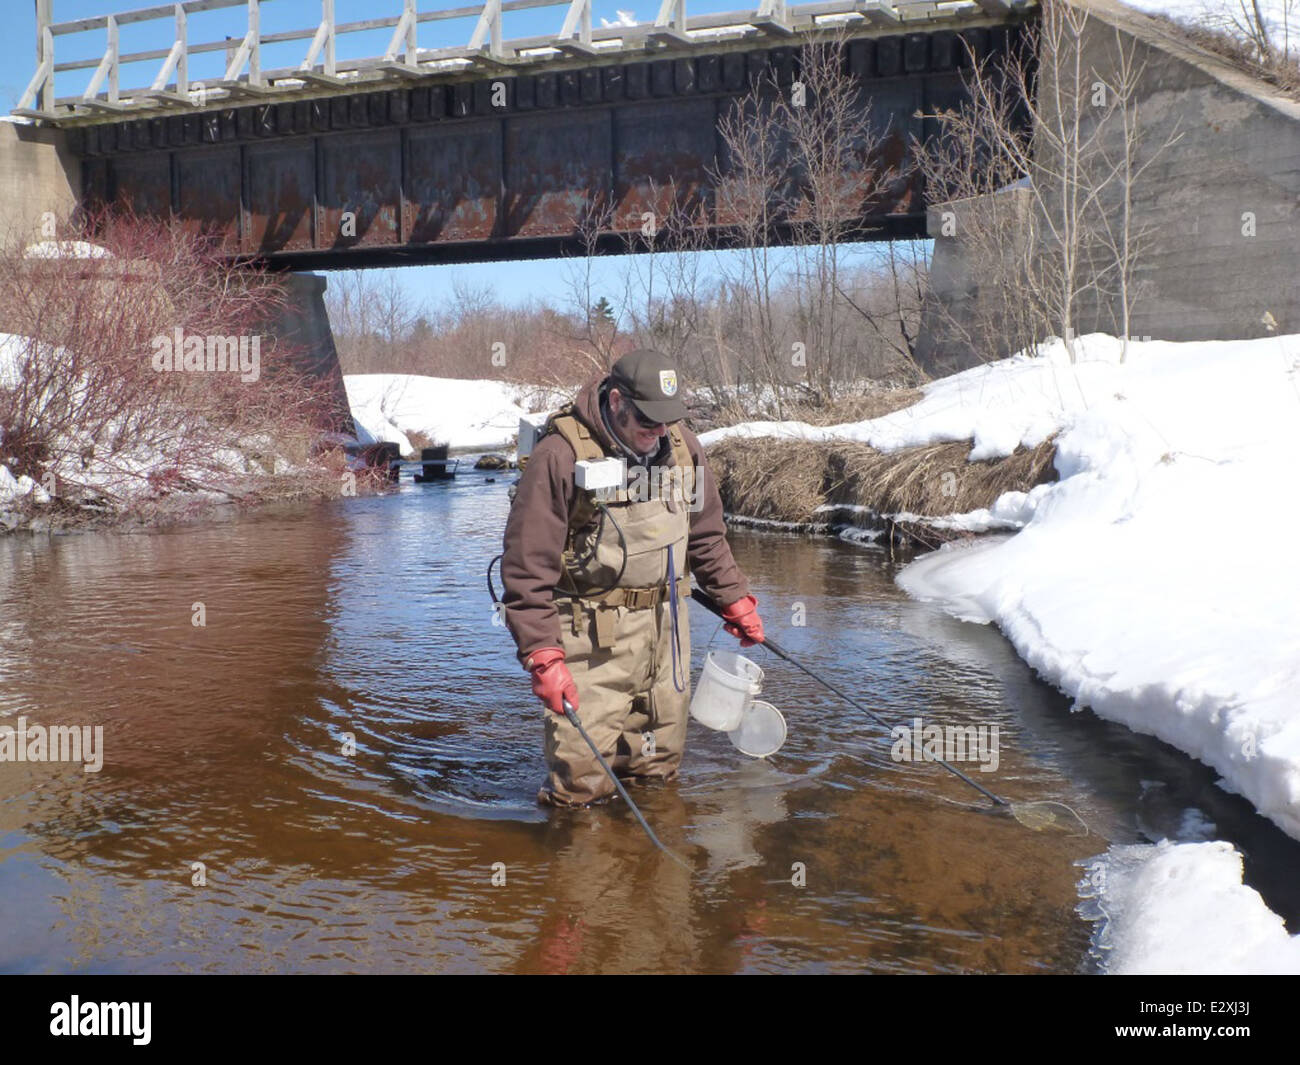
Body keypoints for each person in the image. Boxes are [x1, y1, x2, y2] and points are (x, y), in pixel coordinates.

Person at [500, 349, 765, 806]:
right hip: (592, 644)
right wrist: (543, 656)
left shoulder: (684, 448)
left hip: (668, 639)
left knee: (657, 773)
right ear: (618, 401)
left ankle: (657, 871)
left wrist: (734, 598)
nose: (660, 432)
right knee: (580, 788)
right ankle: (578, 870)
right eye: (649, 420)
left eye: (668, 420)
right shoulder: (559, 455)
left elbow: (705, 535)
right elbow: (526, 568)